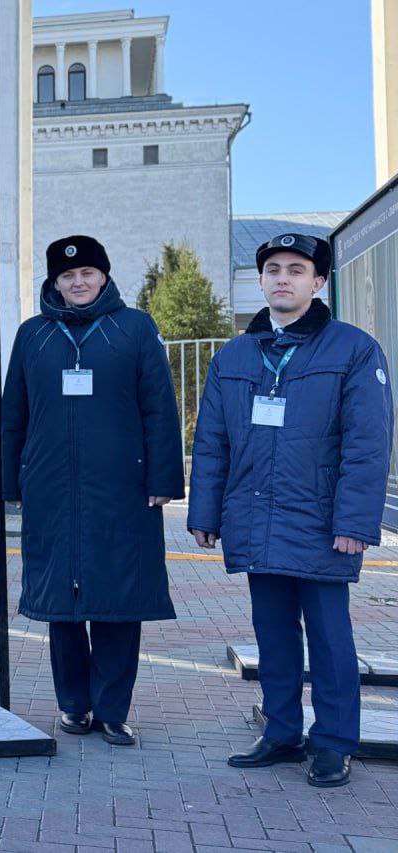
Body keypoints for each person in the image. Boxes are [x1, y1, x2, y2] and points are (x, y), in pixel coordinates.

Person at [188, 233, 393, 787]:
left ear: (318, 282)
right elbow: (212, 441)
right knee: (273, 634)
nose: (283, 278)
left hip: (323, 523)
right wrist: (205, 512)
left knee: (329, 638)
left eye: (297, 270)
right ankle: (281, 732)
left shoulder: (353, 349)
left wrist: (355, 523)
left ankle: (332, 742)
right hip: (255, 518)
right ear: (260, 280)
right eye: (273, 268)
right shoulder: (234, 355)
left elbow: (367, 444)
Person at [2, 235, 184, 746]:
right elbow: (12, 412)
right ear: (53, 282)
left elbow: (159, 407)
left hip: (123, 488)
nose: (77, 282)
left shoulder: (134, 327)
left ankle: (112, 709)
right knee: (61, 603)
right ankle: (73, 706)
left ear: (104, 275)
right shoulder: (33, 334)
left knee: (117, 601)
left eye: (86, 273)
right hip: (51, 491)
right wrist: (12, 481)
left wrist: (163, 480)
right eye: (67, 276)